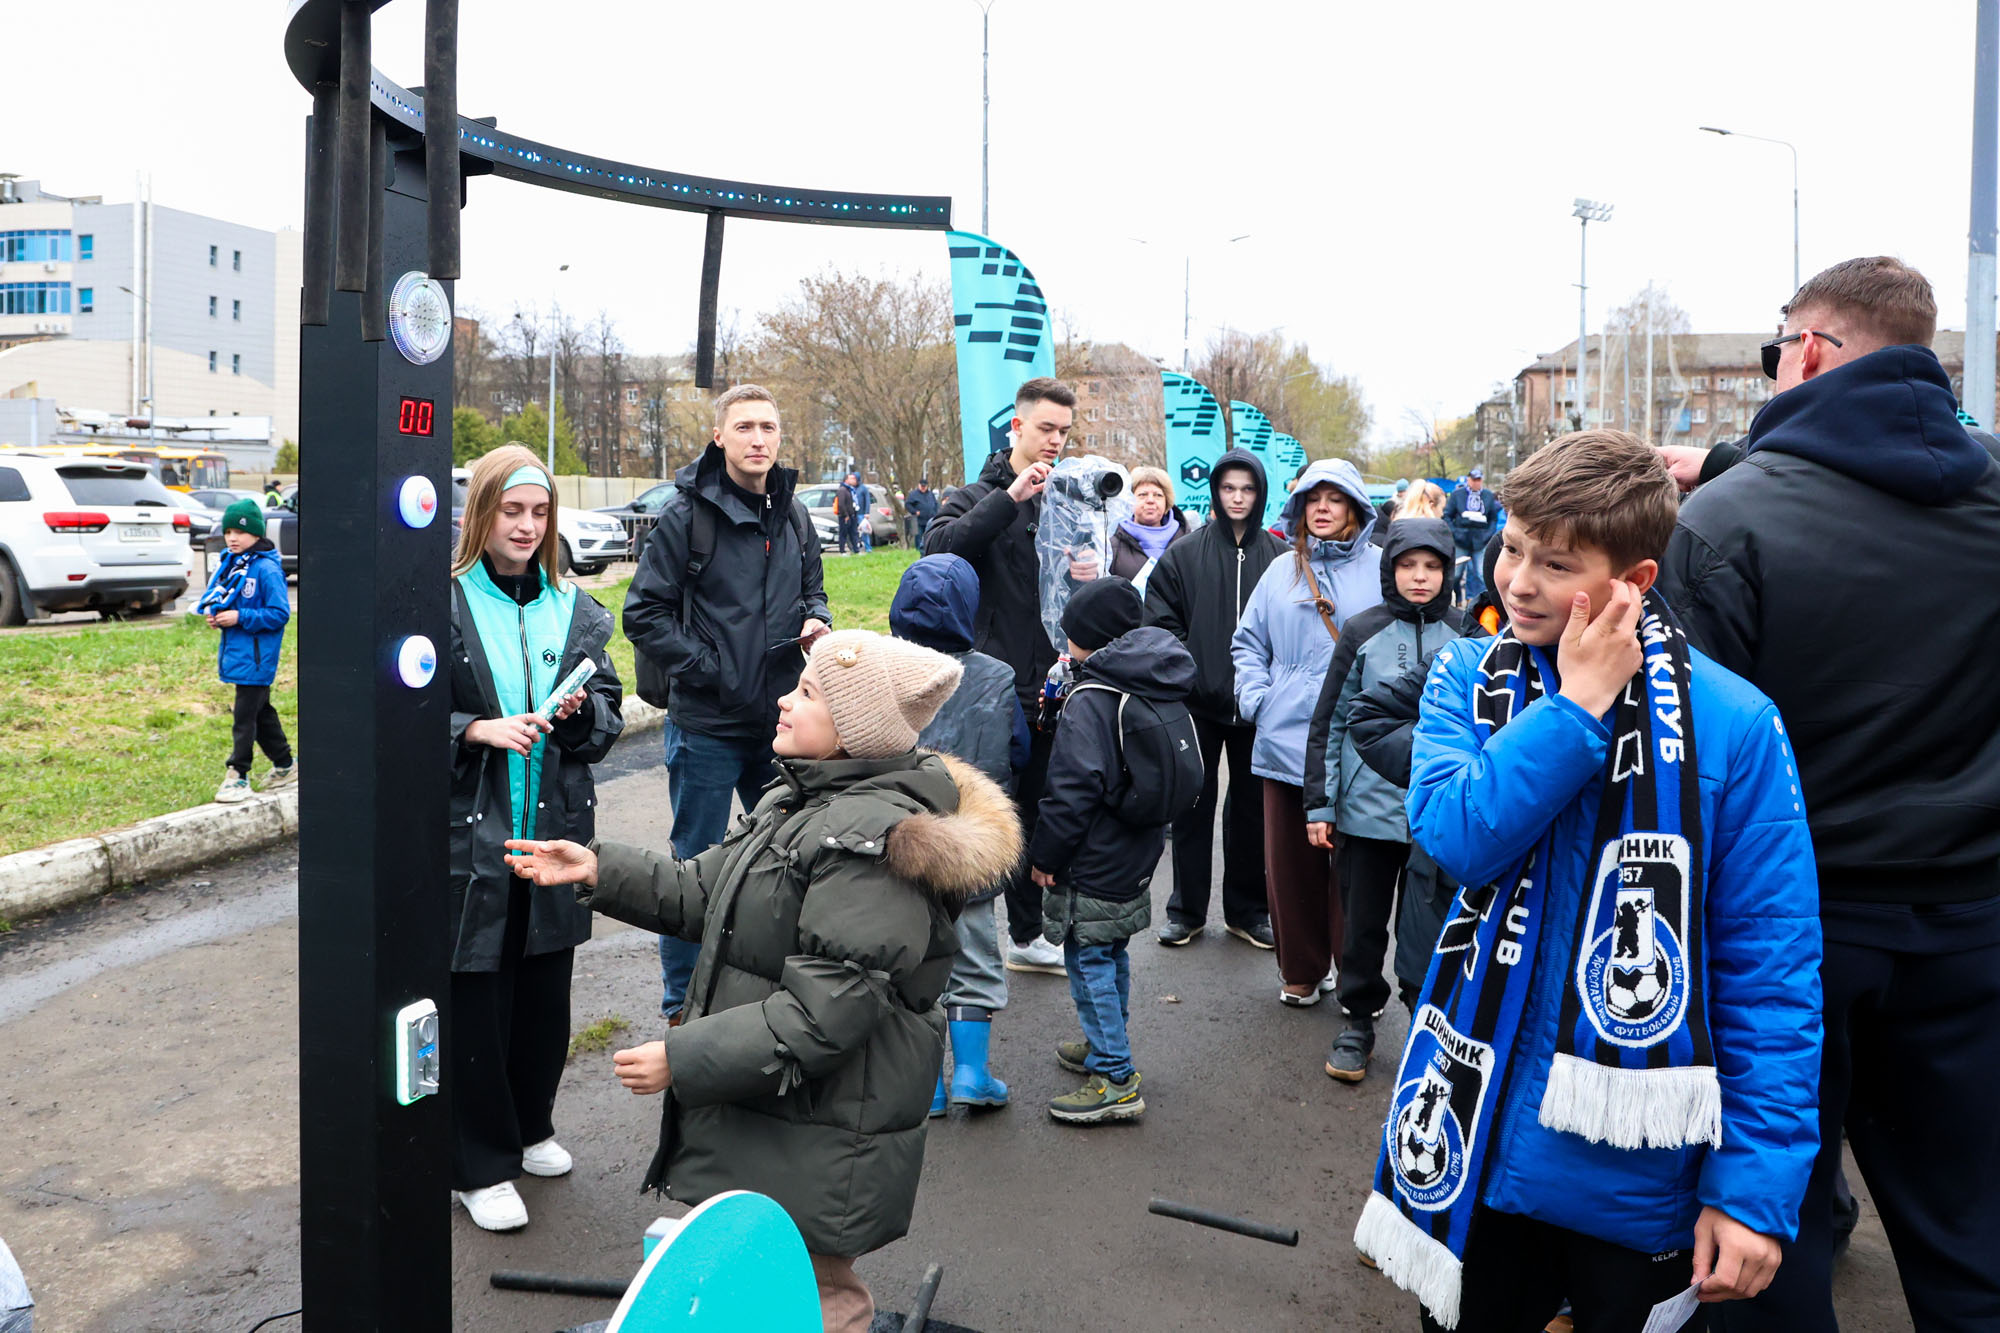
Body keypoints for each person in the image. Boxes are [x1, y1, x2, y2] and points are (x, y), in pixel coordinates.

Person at [1355, 430, 1820, 1333]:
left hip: (1641, 1174)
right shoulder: (1468, 674)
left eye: (1557, 563)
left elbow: (1772, 971)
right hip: (1477, 1140)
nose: (1519, 582)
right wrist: (1574, 710)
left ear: (1635, 579)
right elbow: (1458, 836)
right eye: (1512, 547)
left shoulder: (1736, 722)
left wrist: (1753, 1188)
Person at [1656, 256, 2000, 1332]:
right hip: (1970, 921)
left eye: (1776, 348)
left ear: (1807, 351)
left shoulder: (1727, 521)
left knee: (1766, 1228)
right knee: (1970, 1229)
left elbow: (1689, 765)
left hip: (1790, 930)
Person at [503, 630, 1021, 1333]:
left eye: (807, 693)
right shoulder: (802, 802)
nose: (782, 699)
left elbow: (824, 1015)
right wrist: (600, 868)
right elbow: (702, 892)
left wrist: (681, 1058)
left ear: (855, 731)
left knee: (816, 1295)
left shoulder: (869, 844)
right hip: (782, 1113)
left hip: (825, 1127)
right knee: (763, 1286)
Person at [444, 445, 625, 1232]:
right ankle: (478, 1165)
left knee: (545, 998)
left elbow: (606, 719)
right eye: (511, 510)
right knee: (478, 1002)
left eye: (539, 512)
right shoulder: (443, 605)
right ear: (481, 514)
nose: (525, 526)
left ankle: (529, 1127)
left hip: (554, 838)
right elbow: (397, 715)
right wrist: (474, 728)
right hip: (471, 842)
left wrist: (584, 716)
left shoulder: (574, 606)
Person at [623, 385, 830, 1020]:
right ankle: (682, 1005)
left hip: (779, 724)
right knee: (693, 867)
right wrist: (711, 670)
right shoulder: (685, 516)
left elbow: (814, 590)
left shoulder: (793, 514)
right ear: (719, 437)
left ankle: (769, 992)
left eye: (768, 426)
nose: (758, 439)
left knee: (784, 859)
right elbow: (642, 613)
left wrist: (816, 619)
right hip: (707, 726)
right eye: (744, 427)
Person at [925, 376, 1094, 975]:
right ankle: (948, 939)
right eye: (1046, 428)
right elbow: (937, 549)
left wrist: (1087, 572)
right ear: (1017, 426)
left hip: (1054, 681)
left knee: (1037, 810)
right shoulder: (976, 494)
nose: (1056, 440)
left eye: (1064, 431)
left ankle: (1027, 934)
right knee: (979, 810)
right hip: (992, 684)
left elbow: (1075, 597)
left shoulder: (1066, 499)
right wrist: (1010, 498)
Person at [1302, 518, 1468, 1083]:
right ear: (1388, 569)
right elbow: (1330, 719)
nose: (1419, 577)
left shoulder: (1467, 632)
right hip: (1366, 812)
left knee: (1434, 927)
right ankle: (1358, 1020)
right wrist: (1321, 804)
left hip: (1437, 816)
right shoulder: (1362, 630)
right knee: (1362, 925)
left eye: (1432, 566)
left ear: (1447, 571)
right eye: (1407, 565)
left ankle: (1430, 1022)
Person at [1031, 577, 1197, 1125]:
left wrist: (1045, 856)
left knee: (1088, 960)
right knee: (1111, 949)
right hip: (1136, 846)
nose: (1065, 642)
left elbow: (1070, 791)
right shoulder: (1151, 676)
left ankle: (1116, 1076)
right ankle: (1105, 1040)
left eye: (1071, 633)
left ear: (1092, 637)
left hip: (1092, 856)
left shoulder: (1093, 698)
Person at [1231, 459, 1380, 1005]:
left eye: (1334, 498)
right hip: (1286, 738)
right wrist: (1258, 700)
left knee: (1353, 867)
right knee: (1290, 867)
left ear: (1354, 507)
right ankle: (1300, 970)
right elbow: (1249, 643)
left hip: (1358, 745)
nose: (1322, 508)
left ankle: (1353, 972)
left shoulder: (1382, 569)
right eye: (1313, 498)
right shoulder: (1280, 571)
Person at [888, 554, 1031, 1115]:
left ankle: (926, 1086)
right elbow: (1018, 750)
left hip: (899, 841)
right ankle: (972, 1073)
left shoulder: (884, 668)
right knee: (972, 956)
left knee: (910, 962)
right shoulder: (996, 675)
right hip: (969, 844)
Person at [1143, 448, 1285, 950]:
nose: (1238, 498)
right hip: (1197, 704)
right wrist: (1191, 669)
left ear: (1260, 493)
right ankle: (1186, 910)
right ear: (1215, 492)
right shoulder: (1185, 554)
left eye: (1247, 489)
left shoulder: (1281, 558)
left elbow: (1295, 627)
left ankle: (1247, 911)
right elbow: (1160, 621)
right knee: (1192, 805)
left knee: (1252, 812)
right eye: (1228, 488)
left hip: (1258, 706)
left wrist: (1271, 683)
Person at [196, 498, 295, 804]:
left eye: (239, 532)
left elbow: (279, 613)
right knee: (260, 713)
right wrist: (219, 616)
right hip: (241, 654)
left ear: (256, 533)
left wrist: (241, 617)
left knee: (244, 716)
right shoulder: (233, 564)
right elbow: (228, 601)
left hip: (257, 657)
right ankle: (285, 765)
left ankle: (238, 773)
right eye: (228, 532)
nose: (232, 538)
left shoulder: (266, 569)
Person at [1107, 465, 1193, 591]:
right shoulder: (1111, 545)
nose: (1151, 500)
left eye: (1158, 495)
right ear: (1129, 500)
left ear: (1167, 501)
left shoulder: (1189, 542)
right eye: (1142, 494)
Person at [1444, 467, 1499, 603]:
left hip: (1480, 540)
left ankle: (1484, 602)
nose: (1476, 482)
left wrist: (1488, 534)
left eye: (1478, 480)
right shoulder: (1457, 495)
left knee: (1481, 573)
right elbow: (1447, 516)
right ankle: (1458, 598)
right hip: (1461, 539)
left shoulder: (1488, 495)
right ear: (1468, 480)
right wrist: (1455, 533)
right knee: (1456, 574)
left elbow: (1493, 518)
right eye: (1473, 480)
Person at [906, 477, 940, 546]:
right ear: (919, 485)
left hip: (930, 520)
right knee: (919, 538)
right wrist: (915, 511)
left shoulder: (931, 494)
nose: (923, 488)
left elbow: (936, 504)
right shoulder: (913, 494)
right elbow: (908, 504)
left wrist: (935, 513)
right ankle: (919, 550)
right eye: (922, 486)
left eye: (924, 486)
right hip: (919, 520)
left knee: (929, 537)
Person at [834, 472, 862, 555]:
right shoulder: (842, 490)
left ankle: (856, 550)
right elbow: (841, 504)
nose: (853, 480)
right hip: (845, 516)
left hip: (852, 515)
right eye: (851, 478)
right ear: (846, 480)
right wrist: (845, 515)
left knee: (853, 533)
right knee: (843, 533)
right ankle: (842, 551)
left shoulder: (850, 489)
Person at [854, 475, 875, 552]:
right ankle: (856, 547)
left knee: (864, 531)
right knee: (854, 532)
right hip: (853, 513)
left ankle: (868, 547)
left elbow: (867, 501)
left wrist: (867, 512)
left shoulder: (863, 488)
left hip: (861, 514)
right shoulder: (852, 488)